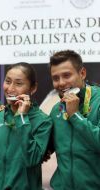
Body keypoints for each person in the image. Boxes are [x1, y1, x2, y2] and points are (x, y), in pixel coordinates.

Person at [0, 62, 53, 190]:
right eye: (8, 81)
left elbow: (32, 159)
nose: (10, 88)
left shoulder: (43, 121)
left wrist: (21, 117)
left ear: (33, 88)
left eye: (19, 83)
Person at [48, 50, 100, 189]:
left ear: (82, 73)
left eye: (66, 75)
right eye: (56, 78)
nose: (61, 83)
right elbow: (42, 150)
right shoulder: (55, 111)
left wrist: (75, 115)